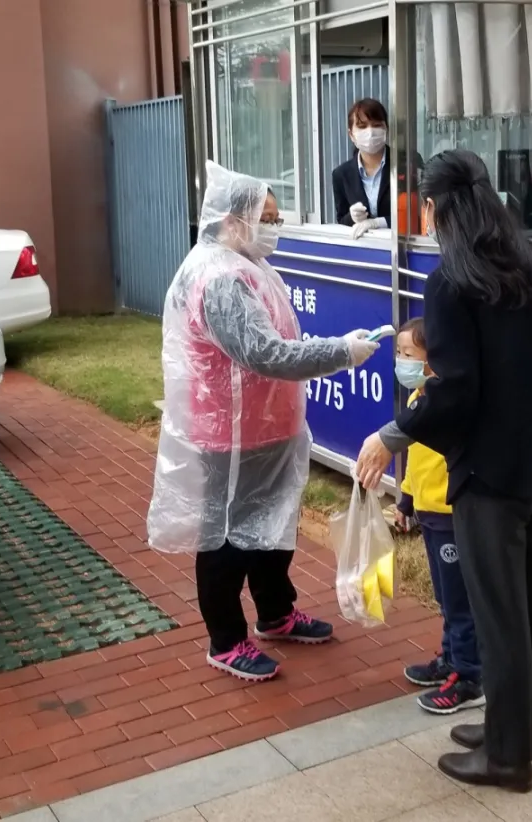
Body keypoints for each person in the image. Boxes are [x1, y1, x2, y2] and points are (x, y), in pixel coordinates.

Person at [355, 150, 532, 792]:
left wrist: (392, 435)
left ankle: (506, 758)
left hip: (489, 475)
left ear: (433, 209)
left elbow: (455, 391)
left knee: (499, 613)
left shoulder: (452, 281)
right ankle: (521, 729)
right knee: (531, 604)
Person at [148, 160, 380, 682]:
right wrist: (340, 352)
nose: (275, 226)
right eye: (267, 218)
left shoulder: (247, 263)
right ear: (234, 220)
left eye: (276, 217)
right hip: (231, 434)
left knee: (273, 529)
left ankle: (276, 612)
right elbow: (265, 353)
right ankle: (226, 639)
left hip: (267, 426)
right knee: (228, 538)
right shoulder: (220, 278)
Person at [392, 318, 483, 715]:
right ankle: (450, 660)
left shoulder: (446, 406)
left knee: (460, 600)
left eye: (408, 354)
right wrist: (405, 501)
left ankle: (469, 676)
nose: (401, 361)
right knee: (445, 597)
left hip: (449, 515)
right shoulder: (418, 399)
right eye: (399, 353)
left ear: (434, 361)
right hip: (428, 514)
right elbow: (415, 461)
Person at [332, 99, 423, 239]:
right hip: (365, 248)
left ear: (386, 128)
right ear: (351, 135)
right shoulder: (341, 174)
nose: (370, 132)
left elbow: (418, 213)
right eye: (362, 126)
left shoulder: (407, 163)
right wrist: (352, 217)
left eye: (376, 125)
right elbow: (341, 220)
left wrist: (377, 223)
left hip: (403, 244)